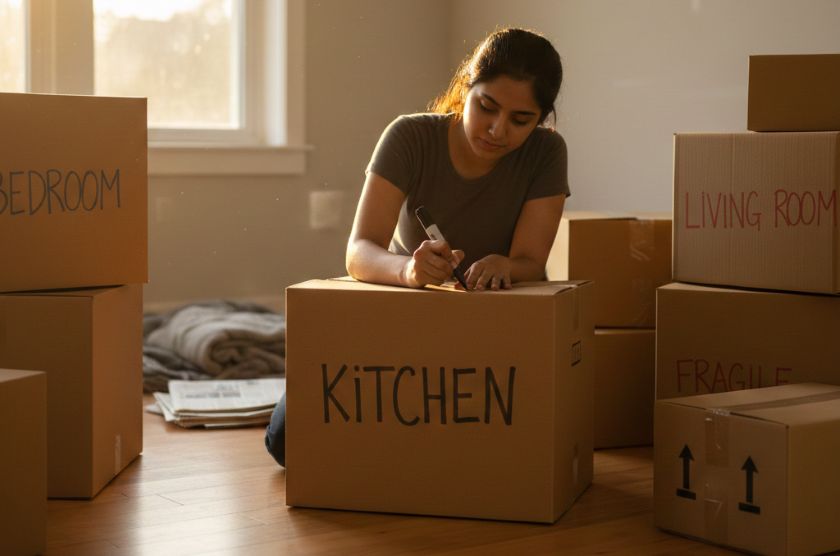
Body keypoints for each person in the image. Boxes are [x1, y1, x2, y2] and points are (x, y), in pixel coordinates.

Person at [265, 27, 569, 467]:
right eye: (486, 107)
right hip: (404, 312)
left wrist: (506, 264)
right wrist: (409, 270)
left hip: (492, 323)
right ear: (467, 85)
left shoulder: (546, 153)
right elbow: (359, 251)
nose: (497, 130)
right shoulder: (409, 136)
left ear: (540, 120)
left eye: (520, 120)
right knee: (287, 441)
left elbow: (531, 262)